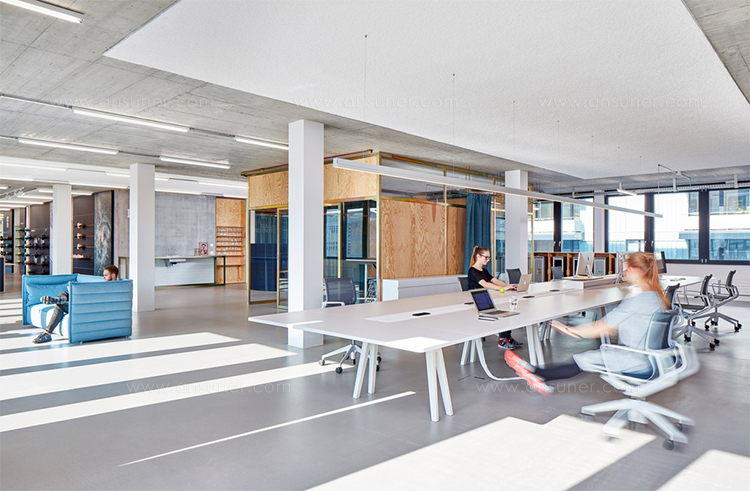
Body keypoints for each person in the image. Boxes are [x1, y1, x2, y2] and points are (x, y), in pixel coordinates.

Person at [504, 252, 669, 394]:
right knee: (588, 358)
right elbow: (611, 328)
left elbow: (602, 327)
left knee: (583, 360)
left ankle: (536, 374)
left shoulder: (636, 300)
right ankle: (538, 374)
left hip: (635, 361)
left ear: (636, 270)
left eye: (627, 269)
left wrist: (570, 330)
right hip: (654, 359)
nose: (624, 273)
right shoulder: (655, 296)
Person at [33, 265, 119, 344]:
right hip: (82, 301)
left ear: (113, 275)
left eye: (106, 275)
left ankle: (47, 332)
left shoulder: (114, 288)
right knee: (63, 293)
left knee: (59, 306)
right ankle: (61, 299)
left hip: (84, 307)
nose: (103, 277)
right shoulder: (105, 285)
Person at [467, 246, 521, 350]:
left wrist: (508, 286)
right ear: (478, 256)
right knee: (501, 310)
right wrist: (503, 289)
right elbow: (485, 284)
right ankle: (502, 339)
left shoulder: (483, 270)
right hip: (478, 301)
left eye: (489, 257)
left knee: (506, 309)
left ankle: (507, 337)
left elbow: (495, 281)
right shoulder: (472, 271)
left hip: (485, 298)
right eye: (486, 257)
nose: (487, 260)